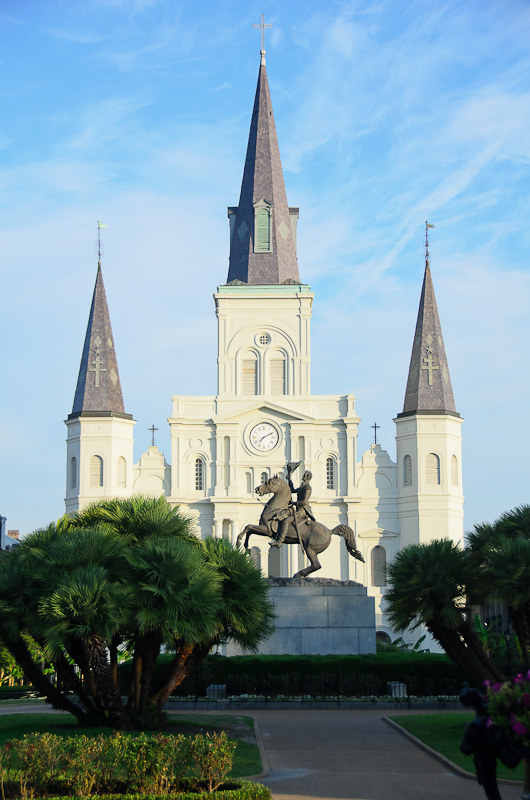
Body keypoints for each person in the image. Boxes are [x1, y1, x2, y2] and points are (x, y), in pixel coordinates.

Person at [270, 465, 314, 548]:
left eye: (304, 475)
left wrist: (294, 503)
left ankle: (279, 541)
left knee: (286, 520)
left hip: (303, 511)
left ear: (308, 477)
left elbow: (304, 502)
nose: (302, 476)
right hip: (298, 509)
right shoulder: (302, 487)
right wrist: (289, 479)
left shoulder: (307, 488)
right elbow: (293, 490)